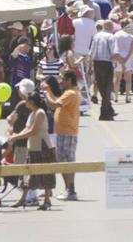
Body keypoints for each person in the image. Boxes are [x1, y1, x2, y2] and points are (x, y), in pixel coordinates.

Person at [6, 90, 56, 211]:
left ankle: (47, 200)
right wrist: (15, 135)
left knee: (46, 173)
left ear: (32, 102)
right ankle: (23, 199)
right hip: (33, 147)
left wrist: (16, 137)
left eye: (27, 100)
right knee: (28, 174)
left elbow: (33, 131)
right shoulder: (32, 113)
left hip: (42, 146)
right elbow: (27, 129)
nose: (25, 102)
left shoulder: (40, 113)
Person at [43, 71, 80, 200]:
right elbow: (56, 102)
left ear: (69, 80)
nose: (61, 82)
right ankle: (67, 189)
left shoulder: (70, 93)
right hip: (62, 132)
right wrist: (49, 93)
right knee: (62, 161)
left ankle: (71, 190)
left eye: (63, 79)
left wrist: (47, 92)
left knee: (68, 162)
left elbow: (53, 104)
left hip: (68, 133)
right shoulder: (67, 93)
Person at [90, 19, 118, 121]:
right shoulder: (111, 36)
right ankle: (104, 112)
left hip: (97, 63)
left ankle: (109, 109)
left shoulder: (96, 36)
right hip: (106, 63)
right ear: (111, 27)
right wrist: (121, 63)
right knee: (107, 87)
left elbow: (91, 53)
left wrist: (90, 67)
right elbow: (114, 52)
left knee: (101, 87)